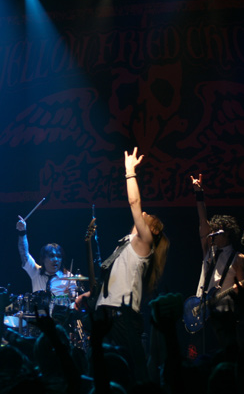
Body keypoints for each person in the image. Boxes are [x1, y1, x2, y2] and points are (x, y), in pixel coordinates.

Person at [75, 147, 169, 382]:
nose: (143, 213)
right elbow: (115, 281)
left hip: (121, 319)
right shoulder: (125, 245)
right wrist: (90, 294)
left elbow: (134, 202)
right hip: (106, 317)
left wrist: (129, 172)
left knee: (128, 377)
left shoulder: (144, 244)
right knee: (98, 375)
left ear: (152, 230)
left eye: (146, 216)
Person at [191, 174, 244, 354]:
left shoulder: (238, 258)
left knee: (221, 353)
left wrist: (234, 291)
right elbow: (203, 221)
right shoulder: (209, 250)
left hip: (223, 315)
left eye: (218, 232)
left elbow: (241, 290)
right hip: (201, 311)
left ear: (227, 234)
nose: (213, 234)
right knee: (196, 352)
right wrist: (199, 195)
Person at [15, 217, 76, 326]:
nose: (56, 259)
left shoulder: (68, 276)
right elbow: (24, 254)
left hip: (61, 323)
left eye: (59, 256)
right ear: (43, 259)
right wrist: (22, 232)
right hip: (39, 321)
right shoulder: (35, 271)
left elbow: (74, 300)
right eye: (51, 256)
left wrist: (72, 296)